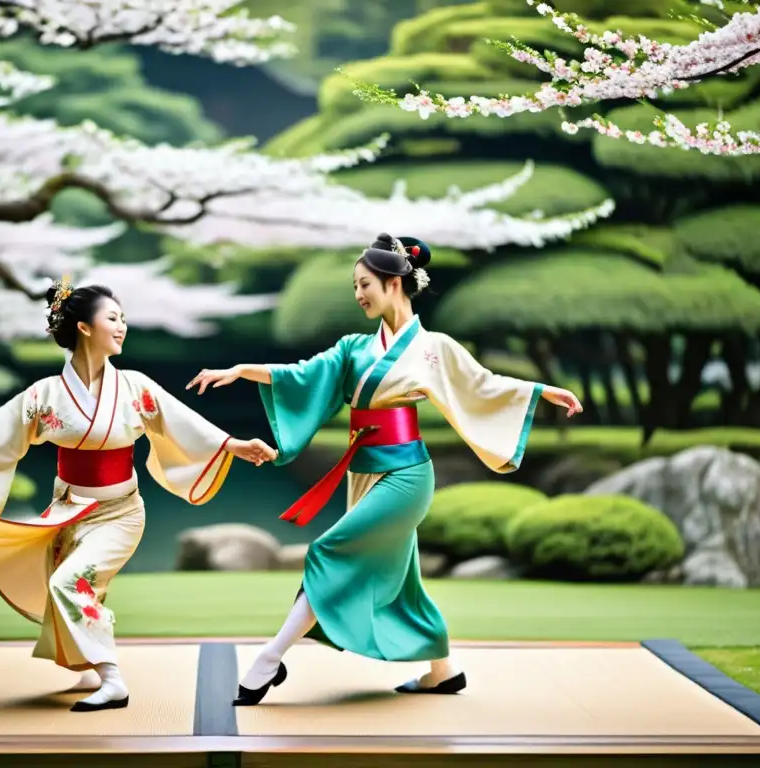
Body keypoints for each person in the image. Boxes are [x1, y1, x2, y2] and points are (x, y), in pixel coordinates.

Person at [187, 233, 582, 706]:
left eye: (364, 283)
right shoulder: (354, 347)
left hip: (406, 474)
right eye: (354, 285)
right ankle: (444, 672)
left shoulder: (434, 347)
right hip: (365, 472)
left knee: (329, 551)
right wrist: (240, 370)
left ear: (394, 282)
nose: (358, 294)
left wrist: (541, 392)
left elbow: (484, 384)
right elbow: (302, 374)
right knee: (404, 581)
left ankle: (268, 659)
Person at [0, 280, 276, 713]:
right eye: (113, 318)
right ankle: (90, 666)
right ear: (84, 327)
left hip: (121, 513)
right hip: (67, 512)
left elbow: (181, 423)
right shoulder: (46, 395)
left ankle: (112, 677)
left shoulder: (134, 386)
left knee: (70, 582)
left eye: (124, 318)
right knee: (85, 587)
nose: (122, 326)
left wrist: (234, 445)